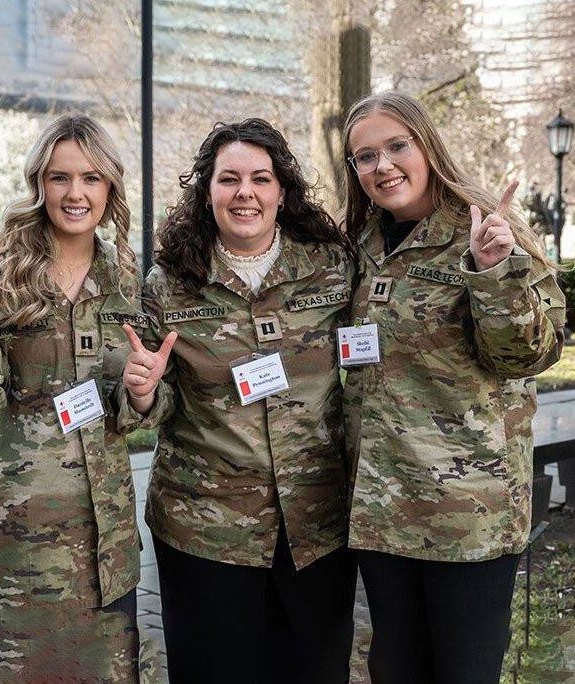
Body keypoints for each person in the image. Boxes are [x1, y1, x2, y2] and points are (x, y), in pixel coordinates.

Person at [0, 114, 174, 682]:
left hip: (106, 534)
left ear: (110, 188)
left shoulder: (127, 280)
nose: (76, 193)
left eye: (91, 178)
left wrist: (144, 394)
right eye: (59, 177)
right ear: (38, 184)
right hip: (19, 529)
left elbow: (139, 402)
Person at [340, 91, 566, 684]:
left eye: (396, 146)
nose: (382, 165)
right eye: (365, 157)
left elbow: (531, 353)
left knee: (463, 671)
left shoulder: (484, 226)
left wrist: (493, 271)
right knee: (394, 667)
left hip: (467, 516)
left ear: (427, 147)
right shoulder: (364, 244)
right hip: (383, 510)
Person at [121, 118, 357, 684]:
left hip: (316, 523)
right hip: (206, 527)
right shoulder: (169, 283)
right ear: (207, 191)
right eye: (229, 179)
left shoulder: (332, 266)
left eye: (260, 178)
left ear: (282, 190)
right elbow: (152, 397)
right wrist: (145, 393)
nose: (245, 192)